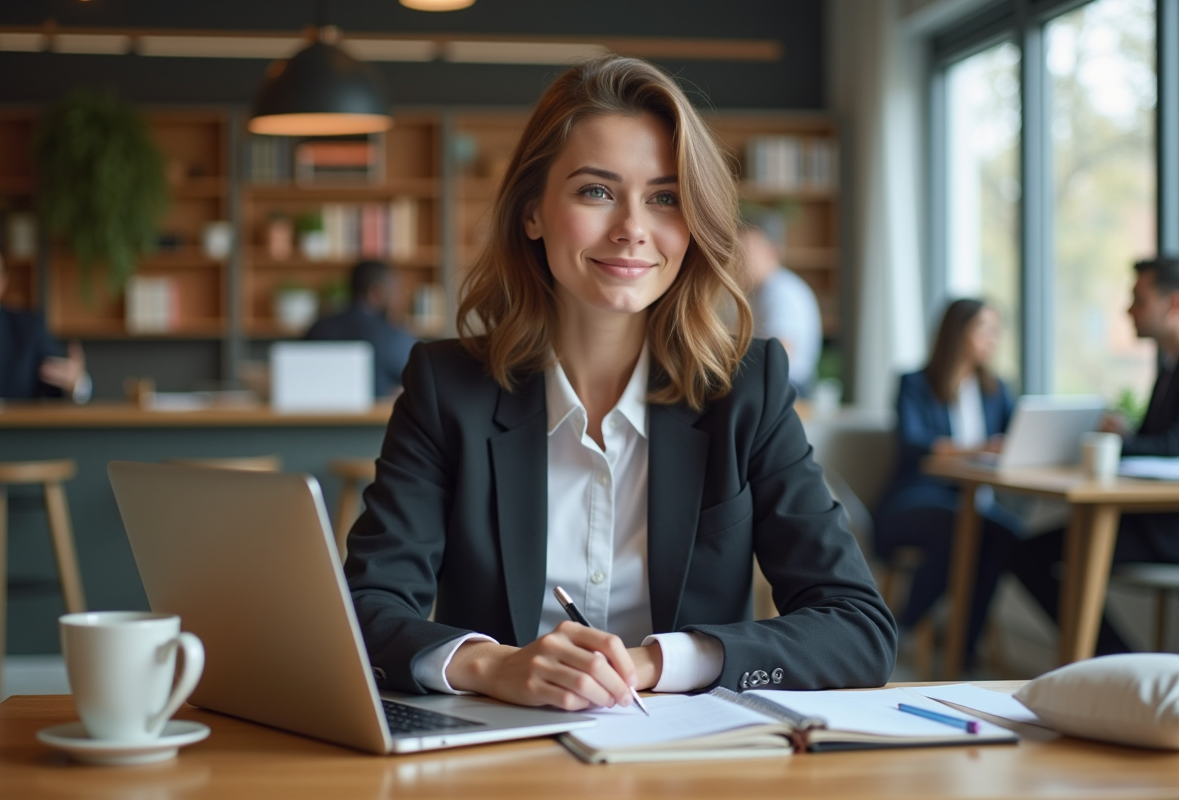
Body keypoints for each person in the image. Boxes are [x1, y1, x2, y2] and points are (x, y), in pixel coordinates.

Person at [345, 55, 895, 713]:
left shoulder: (747, 390)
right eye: (596, 191)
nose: (633, 228)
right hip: (493, 755)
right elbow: (363, 610)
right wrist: (490, 665)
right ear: (532, 212)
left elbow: (858, 628)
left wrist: (656, 661)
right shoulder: (448, 387)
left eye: (665, 198)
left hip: (691, 768)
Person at [1010, 257, 1179, 653]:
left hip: (1168, 529)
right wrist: (1125, 434)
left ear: (1173, 303)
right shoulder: (1169, 367)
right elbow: (1162, 441)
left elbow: (1172, 447)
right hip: (1149, 519)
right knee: (1028, 552)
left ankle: (1119, 662)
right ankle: (1118, 661)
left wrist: (1120, 442)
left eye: (1138, 299)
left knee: (1034, 555)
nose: (1128, 310)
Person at [873, 299, 1021, 661]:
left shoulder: (996, 390)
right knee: (961, 526)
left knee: (1005, 534)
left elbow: (1016, 440)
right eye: (983, 329)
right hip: (911, 501)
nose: (993, 338)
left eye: (995, 330)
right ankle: (903, 627)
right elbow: (913, 445)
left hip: (970, 502)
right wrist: (978, 449)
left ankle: (963, 648)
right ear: (958, 333)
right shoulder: (915, 384)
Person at [0, 231, 90, 401]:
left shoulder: (28, 328)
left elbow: (57, 387)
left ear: (4, 279)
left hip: (10, 427)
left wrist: (78, 383)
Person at [304, 260, 417, 397]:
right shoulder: (394, 337)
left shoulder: (318, 328)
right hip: (377, 418)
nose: (398, 300)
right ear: (376, 292)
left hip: (317, 417)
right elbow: (419, 383)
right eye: (394, 293)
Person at [741, 214, 822, 395]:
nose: (737, 261)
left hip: (789, 388)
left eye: (745, 252)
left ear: (773, 253)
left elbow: (778, 355)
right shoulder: (759, 292)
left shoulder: (780, 292)